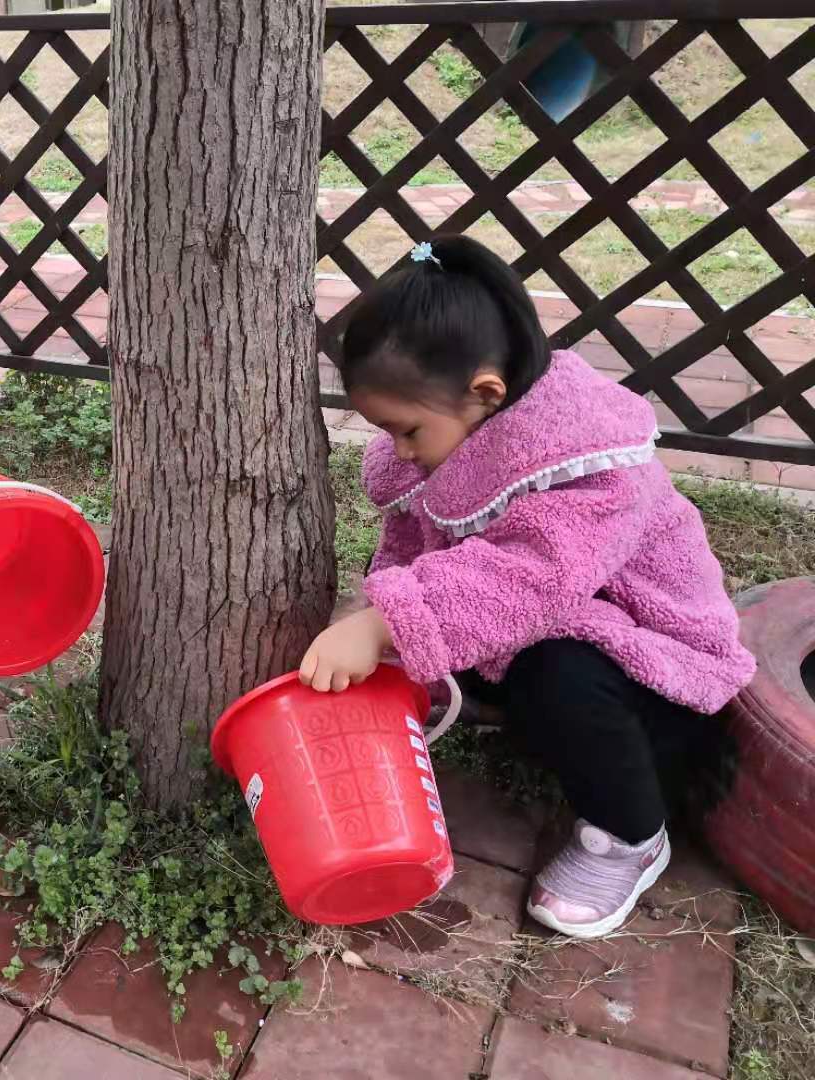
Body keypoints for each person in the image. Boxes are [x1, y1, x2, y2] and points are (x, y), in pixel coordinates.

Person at [299, 236, 754, 940]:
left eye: (408, 431)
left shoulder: (591, 464)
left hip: (659, 674)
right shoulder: (470, 434)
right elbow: (417, 550)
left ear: (486, 393)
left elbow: (529, 577)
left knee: (555, 674)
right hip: (570, 631)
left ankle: (631, 833)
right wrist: (391, 613)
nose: (403, 452)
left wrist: (385, 622)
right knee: (505, 653)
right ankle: (514, 706)